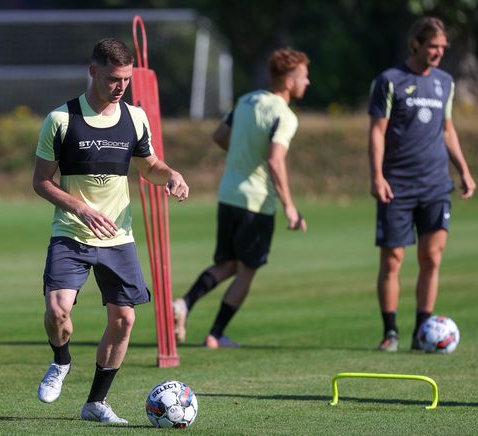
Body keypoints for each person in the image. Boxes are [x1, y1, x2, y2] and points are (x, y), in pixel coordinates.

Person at [33, 38, 189, 424]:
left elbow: (149, 165)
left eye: (126, 80)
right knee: (57, 311)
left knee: (125, 321)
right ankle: (61, 361)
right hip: (71, 232)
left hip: (118, 237)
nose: (121, 86)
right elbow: (41, 182)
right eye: (114, 78)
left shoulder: (135, 118)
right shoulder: (61, 119)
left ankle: (95, 404)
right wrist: (81, 208)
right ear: (93, 72)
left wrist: (171, 175)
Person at [173, 48, 309, 348]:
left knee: (229, 264)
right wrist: (290, 207)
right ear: (288, 80)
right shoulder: (284, 115)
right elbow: (275, 160)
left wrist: (241, 156)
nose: (308, 82)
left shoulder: (247, 100)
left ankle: (183, 304)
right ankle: (215, 334)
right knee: (247, 270)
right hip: (257, 201)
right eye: (303, 76)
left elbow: (219, 135)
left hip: (229, 194)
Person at [368, 17, 476, 352]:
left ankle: (421, 331)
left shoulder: (445, 82)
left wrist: (464, 170)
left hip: (435, 185)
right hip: (397, 185)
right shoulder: (390, 80)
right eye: (433, 46)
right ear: (416, 43)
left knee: (432, 257)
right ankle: (391, 333)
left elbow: (447, 130)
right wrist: (376, 175)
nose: (439, 52)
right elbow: (377, 132)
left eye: (443, 47)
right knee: (393, 259)